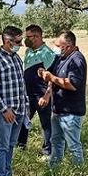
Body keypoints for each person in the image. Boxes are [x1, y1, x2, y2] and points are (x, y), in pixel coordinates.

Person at [0, 25, 29, 176]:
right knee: (2, 146)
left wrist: (25, 107)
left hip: (18, 110)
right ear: (8, 41)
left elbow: (21, 85)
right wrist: (4, 109)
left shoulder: (17, 58)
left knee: (11, 145)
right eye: (18, 41)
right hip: (6, 113)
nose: (21, 44)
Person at [39, 30, 87, 167]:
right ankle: (54, 168)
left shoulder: (77, 59)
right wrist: (43, 73)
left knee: (73, 145)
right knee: (56, 142)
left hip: (71, 111)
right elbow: (51, 76)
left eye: (58, 46)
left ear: (68, 46)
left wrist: (52, 78)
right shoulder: (61, 58)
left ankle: (78, 174)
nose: (56, 48)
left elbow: (72, 84)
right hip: (58, 109)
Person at [16, 24, 56, 156]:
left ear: (37, 37)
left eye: (28, 37)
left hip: (41, 95)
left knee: (46, 124)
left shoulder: (48, 53)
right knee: (23, 120)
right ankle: (20, 147)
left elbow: (52, 77)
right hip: (27, 95)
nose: (25, 40)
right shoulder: (28, 52)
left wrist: (47, 96)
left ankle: (47, 151)